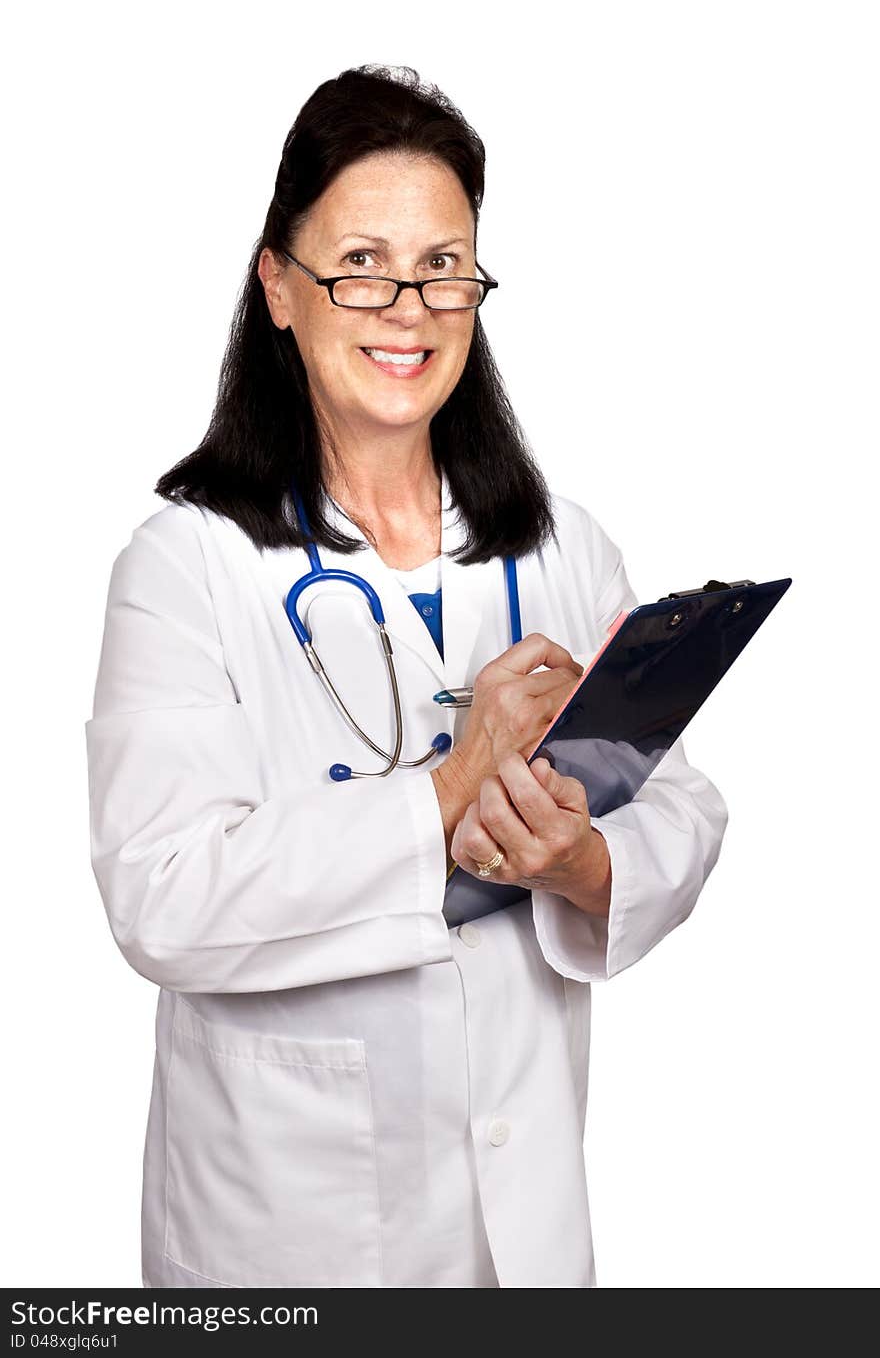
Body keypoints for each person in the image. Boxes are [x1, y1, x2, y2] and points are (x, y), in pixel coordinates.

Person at [84, 64, 728, 1290]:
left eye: (445, 267)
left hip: (526, 1226)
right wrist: (446, 794)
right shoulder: (188, 566)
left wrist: (582, 862)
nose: (410, 308)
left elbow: (683, 809)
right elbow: (158, 896)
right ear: (279, 285)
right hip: (282, 1236)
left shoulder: (557, 546)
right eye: (363, 264)